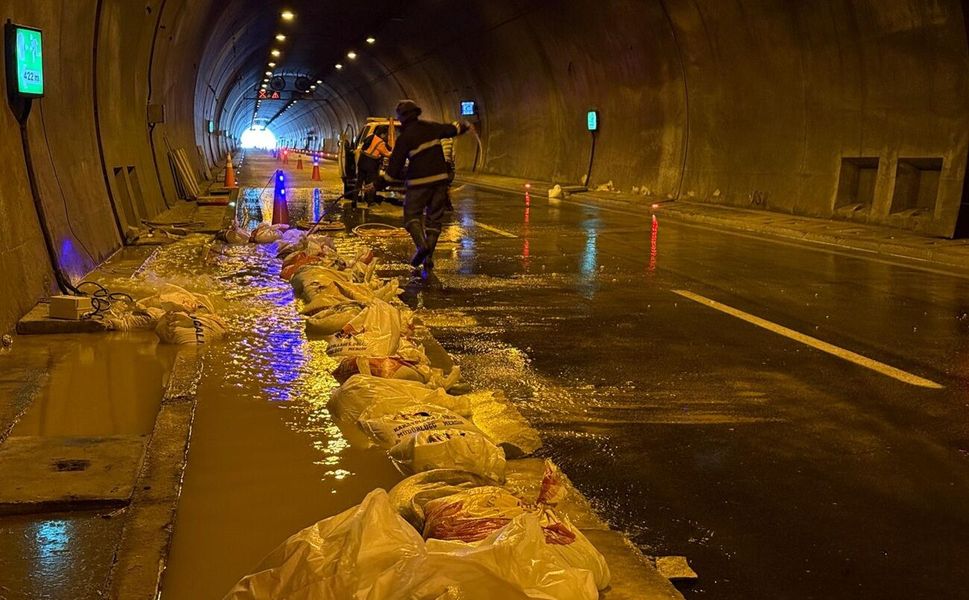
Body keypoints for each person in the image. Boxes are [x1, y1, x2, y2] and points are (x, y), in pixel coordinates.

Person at [385, 100, 472, 274]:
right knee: (434, 220)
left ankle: (422, 246)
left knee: (411, 216)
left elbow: (393, 170)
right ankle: (428, 257)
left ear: (402, 118)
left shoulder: (405, 138)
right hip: (440, 181)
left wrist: (379, 183)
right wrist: (464, 126)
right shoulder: (430, 127)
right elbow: (451, 129)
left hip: (418, 183)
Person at [356, 128, 392, 207]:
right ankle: (370, 201)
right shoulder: (380, 142)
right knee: (370, 183)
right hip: (370, 163)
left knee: (359, 181)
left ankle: (354, 200)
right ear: (382, 134)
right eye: (385, 134)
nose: (386, 136)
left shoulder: (370, 136)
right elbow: (387, 154)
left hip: (362, 161)